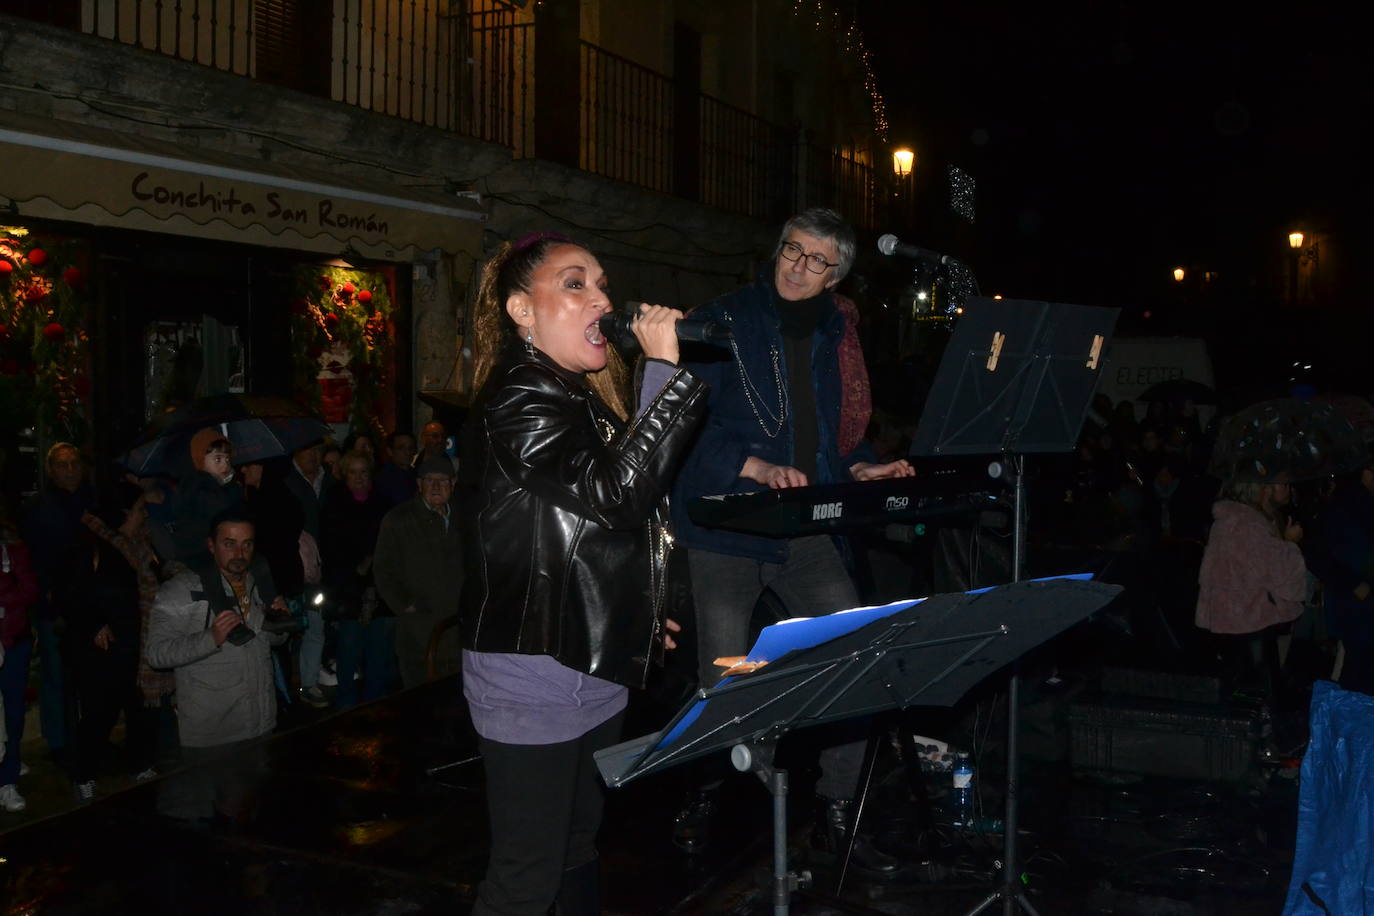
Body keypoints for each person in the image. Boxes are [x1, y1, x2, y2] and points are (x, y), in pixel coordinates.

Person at [457, 232, 706, 916]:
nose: (601, 297)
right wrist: (662, 371)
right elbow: (620, 496)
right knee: (525, 875)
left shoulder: (581, 398)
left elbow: (603, 533)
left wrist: (641, 612)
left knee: (577, 849)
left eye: (601, 283)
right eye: (575, 283)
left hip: (590, 665)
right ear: (521, 311)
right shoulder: (519, 398)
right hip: (530, 670)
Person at [668, 208, 912, 863]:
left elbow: (830, 433)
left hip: (802, 527)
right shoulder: (722, 317)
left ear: (838, 277)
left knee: (855, 655)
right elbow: (679, 421)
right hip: (726, 524)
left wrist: (863, 463)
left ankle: (836, 803)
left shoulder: (836, 331)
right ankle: (708, 790)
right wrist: (753, 466)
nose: (798, 268)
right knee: (726, 677)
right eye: (792, 252)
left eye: (816, 261)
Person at [145, 509, 287, 823]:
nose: (240, 553)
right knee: (207, 821)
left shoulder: (257, 582)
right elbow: (156, 654)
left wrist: (279, 622)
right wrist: (212, 637)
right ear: (211, 545)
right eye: (229, 544)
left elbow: (270, 643)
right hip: (213, 732)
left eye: (247, 544)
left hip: (260, 723)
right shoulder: (181, 590)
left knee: (252, 815)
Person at [56, 485, 161, 803]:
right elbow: (67, 594)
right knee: (99, 714)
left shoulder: (137, 546)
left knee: (137, 707)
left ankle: (138, 764)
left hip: (132, 641)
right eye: (139, 510)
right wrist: (93, 624)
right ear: (123, 515)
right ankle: (83, 775)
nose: (144, 516)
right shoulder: (90, 545)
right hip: (100, 649)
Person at [1196, 478, 1308, 700]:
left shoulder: (1226, 520)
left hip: (1229, 617)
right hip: (1251, 618)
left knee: (1238, 684)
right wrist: (1290, 543)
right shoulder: (1249, 523)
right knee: (1259, 690)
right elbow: (1278, 573)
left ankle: (1236, 727)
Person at [21, 442, 96, 765]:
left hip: (93, 602)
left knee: (90, 673)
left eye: (74, 463)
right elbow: (31, 557)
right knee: (55, 674)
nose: (69, 470)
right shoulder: (38, 507)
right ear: (51, 470)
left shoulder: (93, 500)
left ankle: (91, 735)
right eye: (62, 465)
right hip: (54, 604)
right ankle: (58, 742)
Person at [373, 455, 462, 689]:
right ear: (419, 484)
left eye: (442, 481)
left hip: (458, 633)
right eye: (429, 480)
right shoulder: (398, 520)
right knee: (420, 705)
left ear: (453, 484)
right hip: (418, 633)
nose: (435, 486)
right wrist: (404, 604)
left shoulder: (465, 519)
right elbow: (383, 570)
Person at [319, 449, 396, 708]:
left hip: (380, 590)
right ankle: (346, 708)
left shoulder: (384, 503)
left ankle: (375, 708)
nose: (359, 477)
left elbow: (391, 546)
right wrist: (356, 569)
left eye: (364, 471)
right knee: (349, 653)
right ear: (344, 475)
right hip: (349, 594)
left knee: (378, 655)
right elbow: (331, 549)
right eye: (353, 472)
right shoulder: (333, 502)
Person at [1, 498, 38, 813]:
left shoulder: (14, 548)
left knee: (11, 710)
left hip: (13, 642)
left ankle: (7, 778)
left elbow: (29, 590)